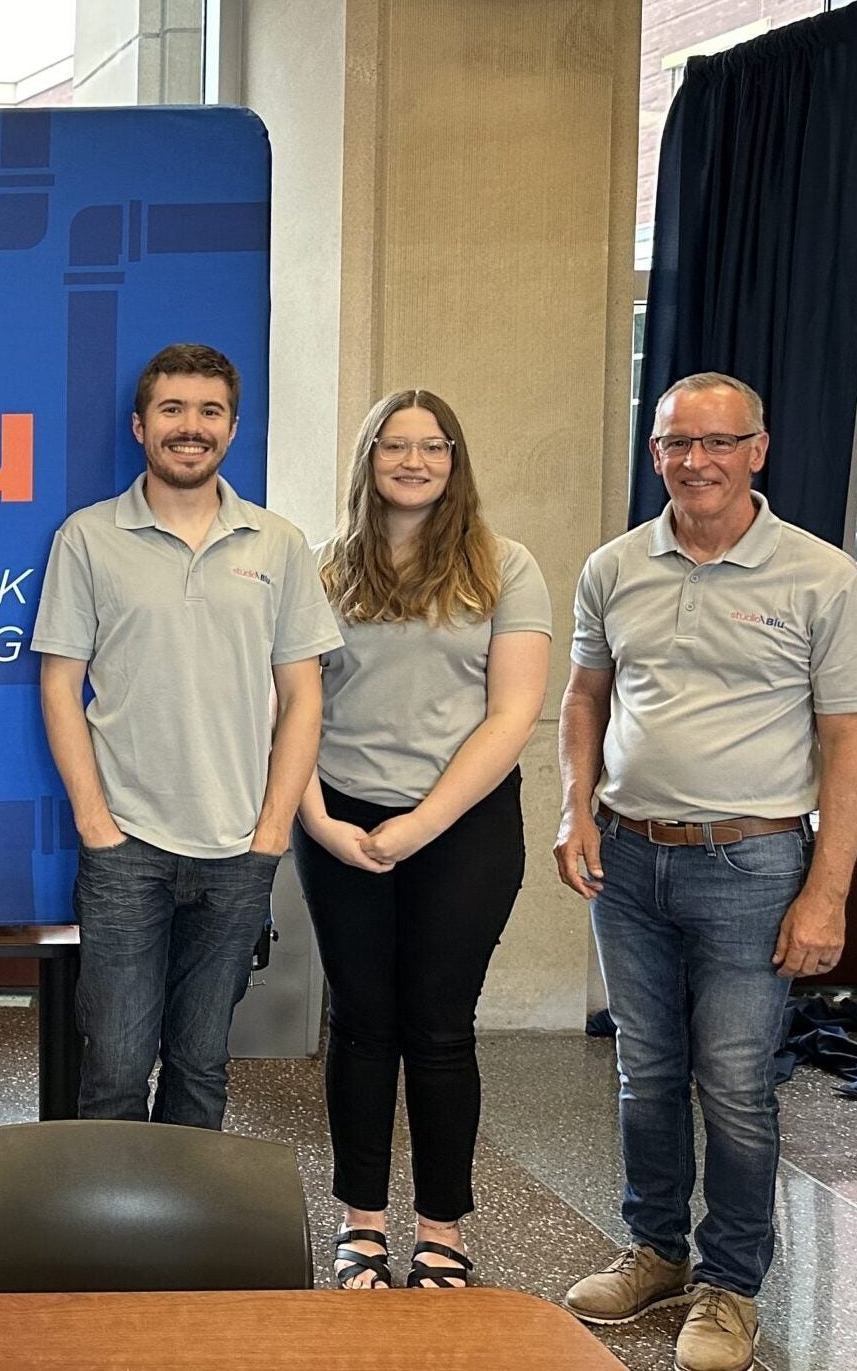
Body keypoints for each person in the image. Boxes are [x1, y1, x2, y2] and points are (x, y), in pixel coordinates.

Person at [557, 373, 857, 1371]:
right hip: (627, 858)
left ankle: (728, 1284)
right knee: (644, 1073)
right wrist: (574, 808)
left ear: (756, 449)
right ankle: (654, 1247)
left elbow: (846, 747)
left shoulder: (818, 577)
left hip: (751, 865)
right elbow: (582, 699)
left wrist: (824, 892)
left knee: (736, 1084)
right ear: (652, 451)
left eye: (714, 442)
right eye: (672, 443)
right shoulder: (614, 567)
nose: (692, 461)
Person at [33, 342, 341, 1129]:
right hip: (126, 847)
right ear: (141, 425)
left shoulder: (278, 545)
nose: (190, 427)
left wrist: (273, 829)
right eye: (172, 409)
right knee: (116, 1064)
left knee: (202, 1064)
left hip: (240, 846)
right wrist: (96, 824)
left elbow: (303, 695)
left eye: (209, 411)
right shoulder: (88, 538)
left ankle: (182, 1243)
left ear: (233, 429)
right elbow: (60, 686)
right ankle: (105, 1244)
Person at [294, 390, 550, 1290]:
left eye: (432, 445)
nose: (413, 460)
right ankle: (361, 1222)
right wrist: (321, 820)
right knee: (360, 1025)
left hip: (463, 827)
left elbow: (513, 713)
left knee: (439, 1030)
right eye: (393, 445)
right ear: (367, 458)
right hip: (337, 821)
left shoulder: (504, 566)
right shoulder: (323, 569)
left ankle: (442, 1229)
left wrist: (418, 825)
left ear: (455, 457)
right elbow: (295, 706)